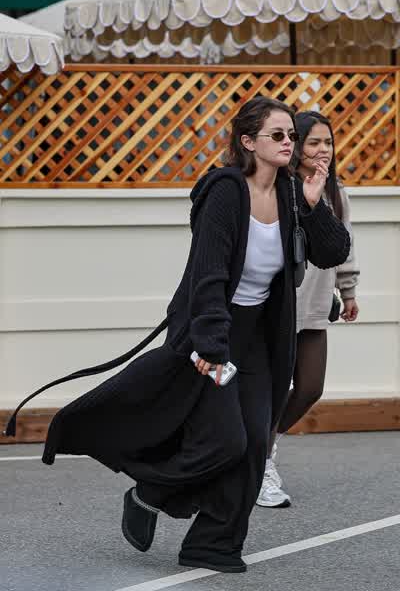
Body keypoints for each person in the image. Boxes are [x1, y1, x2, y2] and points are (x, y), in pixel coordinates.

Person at [4, 98, 350, 574]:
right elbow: (208, 273)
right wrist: (210, 346)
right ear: (248, 142)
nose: (289, 142)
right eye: (278, 134)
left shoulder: (293, 192)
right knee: (225, 440)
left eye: (292, 134)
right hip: (213, 330)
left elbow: (332, 253)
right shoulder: (225, 192)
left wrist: (312, 207)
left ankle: (213, 544)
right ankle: (151, 490)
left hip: (260, 338)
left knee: (254, 444)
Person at [257, 111, 360, 509]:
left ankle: (264, 446)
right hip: (278, 306)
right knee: (271, 389)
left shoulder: (335, 190)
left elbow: (346, 245)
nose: (323, 150)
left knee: (310, 387)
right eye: (314, 142)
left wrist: (348, 292)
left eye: (328, 142)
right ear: (297, 146)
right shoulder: (279, 187)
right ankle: (260, 465)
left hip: (316, 304)